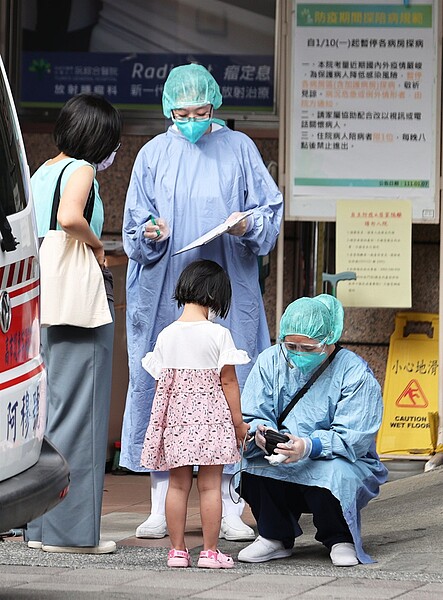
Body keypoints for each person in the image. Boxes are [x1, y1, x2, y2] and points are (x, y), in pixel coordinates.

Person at [120, 62, 283, 541]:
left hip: (227, 283)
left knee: (231, 383)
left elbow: (268, 214)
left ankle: (232, 503)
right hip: (167, 290)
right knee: (161, 387)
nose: (190, 120)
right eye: (181, 112)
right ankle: (158, 503)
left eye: (200, 111)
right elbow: (134, 228)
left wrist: (246, 224)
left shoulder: (240, 149)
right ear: (168, 109)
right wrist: (149, 233)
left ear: (215, 105)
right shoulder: (152, 154)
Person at [25, 93, 122, 554]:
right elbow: (69, 218)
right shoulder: (81, 169)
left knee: (50, 411)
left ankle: (40, 528)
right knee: (81, 414)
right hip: (77, 297)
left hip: (45, 296)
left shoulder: (43, 169)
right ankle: (70, 534)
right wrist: (99, 247)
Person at [237, 294, 389, 567]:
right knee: (252, 466)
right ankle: (274, 536)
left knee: (334, 473)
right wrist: (261, 435)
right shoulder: (270, 361)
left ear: (329, 340)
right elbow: (253, 413)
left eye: (308, 348)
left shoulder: (354, 372)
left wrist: (309, 447)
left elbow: (355, 436)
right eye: (290, 345)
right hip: (282, 453)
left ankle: (340, 537)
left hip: (334, 457)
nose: (297, 354)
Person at [140, 259, 251, 568]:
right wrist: (239, 423)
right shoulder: (218, 335)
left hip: (175, 422)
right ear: (215, 296)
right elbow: (228, 380)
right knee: (210, 486)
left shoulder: (166, 335)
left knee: (177, 485)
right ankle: (210, 552)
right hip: (213, 421)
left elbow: (161, 380)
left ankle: (177, 551)